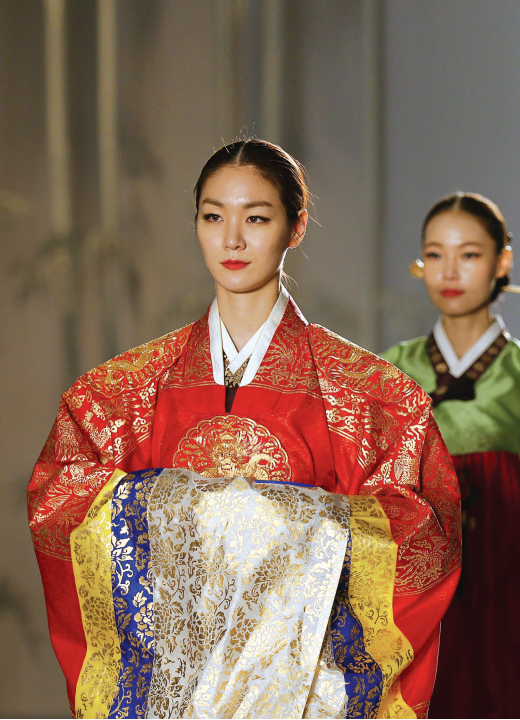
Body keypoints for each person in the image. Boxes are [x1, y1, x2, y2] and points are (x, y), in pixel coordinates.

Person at [28, 139, 460, 719]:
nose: (232, 239)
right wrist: (224, 513)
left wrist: (246, 520)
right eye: (213, 217)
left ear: (296, 227)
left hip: (306, 700)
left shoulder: (373, 397)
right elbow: (61, 502)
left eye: (256, 218)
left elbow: (422, 536)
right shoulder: (115, 395)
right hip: (171, 700)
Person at [382, 191, 520, 719]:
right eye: (435, 253)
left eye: (469, 253)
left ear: (501, 262)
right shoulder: (392, 370)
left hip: (509, 578)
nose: (450, 270)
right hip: (422, 584)